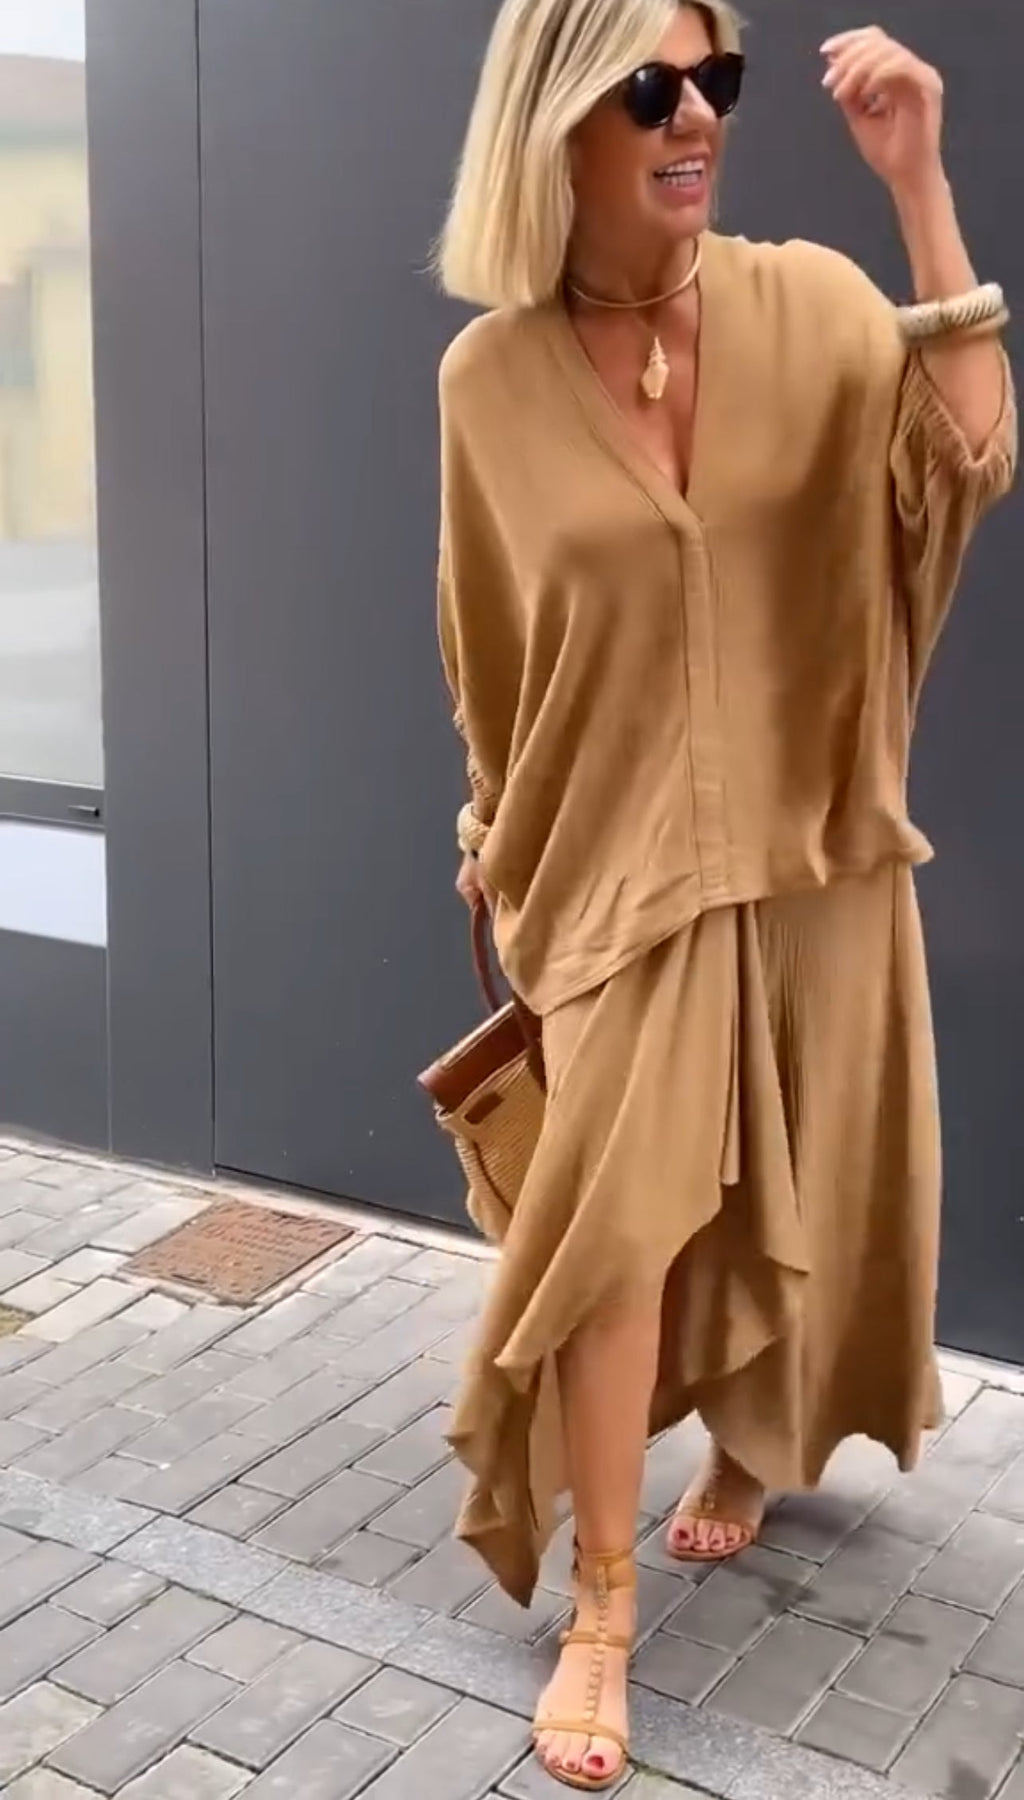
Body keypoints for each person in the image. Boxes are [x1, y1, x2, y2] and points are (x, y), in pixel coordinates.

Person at [434, 0, 1016, 1789]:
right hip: (617, 865)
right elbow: (487, 648)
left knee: (799, 1171)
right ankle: (605, 1607)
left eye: (718, 80)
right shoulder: (490, 383)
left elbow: (972, 457)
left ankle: (753, 1451)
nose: (696, 116)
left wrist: (918, 187)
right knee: (617, 1235)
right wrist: (492, 838)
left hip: (812, 844)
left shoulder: (814, 308)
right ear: (558, 121)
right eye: (651, 88)